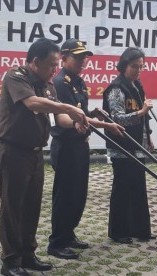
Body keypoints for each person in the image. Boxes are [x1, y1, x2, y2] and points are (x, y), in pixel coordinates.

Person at [0, 38, 87, 276]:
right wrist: (70, 108)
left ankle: (28, 255)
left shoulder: (48, 85)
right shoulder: (15, 77)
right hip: (14, 151)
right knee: (12, 207)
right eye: (51, 65)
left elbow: (60, 120)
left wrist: (84, 121)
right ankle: (10, 261)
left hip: (37, 154)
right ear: (35, 62)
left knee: (32, 206)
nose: (55, 70)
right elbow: (31, 103)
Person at [47, 39, 124, 260]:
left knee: (78, 193)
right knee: (65, 195)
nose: (83, 61)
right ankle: (57, 242)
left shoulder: (78, 82)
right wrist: (108, 125)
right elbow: (67, 118)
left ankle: (68, 234)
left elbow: (81, 113)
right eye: (78, 57)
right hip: (66, 146)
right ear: (64, 58)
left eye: (84, 57)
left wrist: (94, 113)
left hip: (80, 146)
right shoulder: (61, 82)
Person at [102, 47, 155, 244]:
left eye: (141, 67)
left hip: (137, 144)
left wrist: (148, 135)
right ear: (124, 65)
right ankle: (119, 231)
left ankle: (140, 229)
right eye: (134, 66)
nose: (138, 70)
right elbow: (117, 119)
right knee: (122, 189)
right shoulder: (117, 88)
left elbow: (144, 116)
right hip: (122, 146)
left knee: (138, 187)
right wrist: (141, 113)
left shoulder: (137, 85)